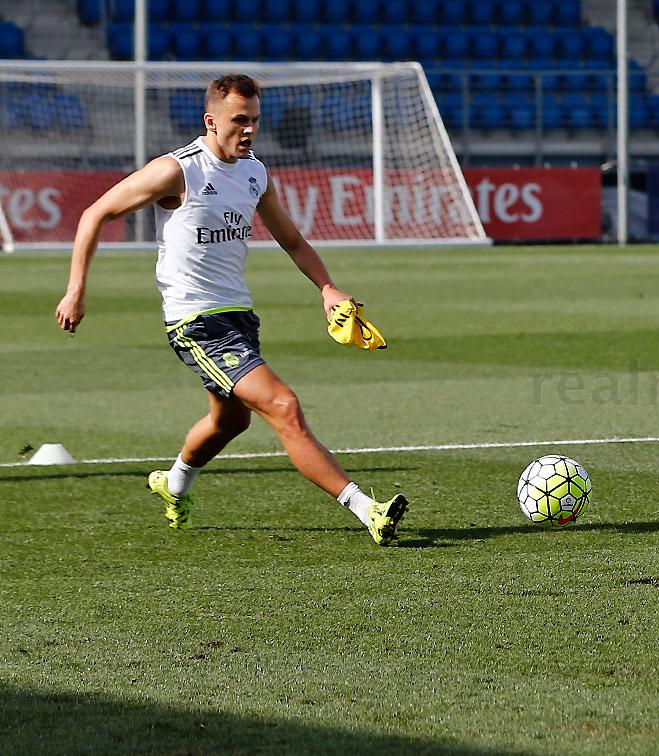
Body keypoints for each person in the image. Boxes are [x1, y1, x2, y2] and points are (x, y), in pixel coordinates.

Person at [53, 74, 409, 546]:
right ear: (211, 121)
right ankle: (368, 510)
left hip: (238, 316)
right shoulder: (177, 171)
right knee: (285, 406)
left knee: (230, 421)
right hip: (195, 321)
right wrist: (75, 289)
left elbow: (293, 240)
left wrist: (328, 289)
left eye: (255, 120)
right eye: (239, 120)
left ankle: (173, 484)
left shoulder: (254, 173)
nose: (249, 129)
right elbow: (94, 213)